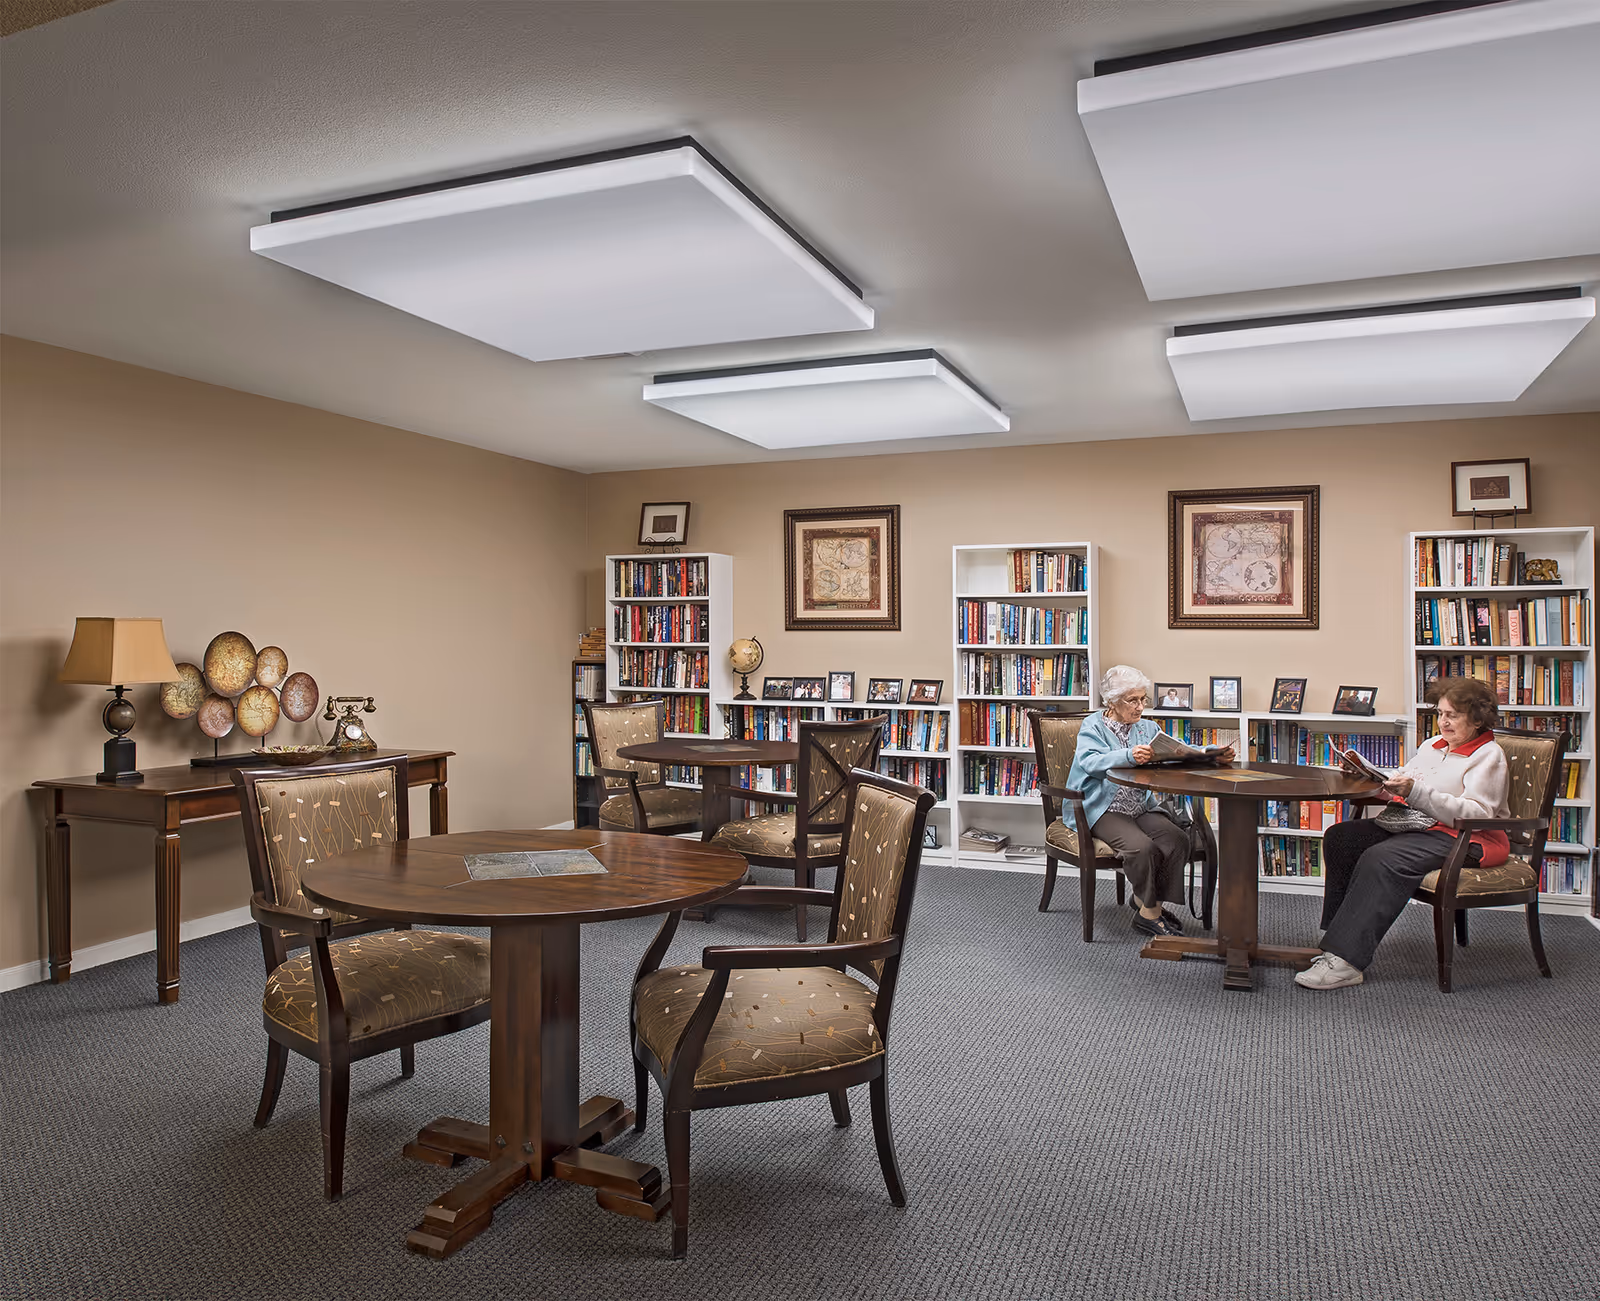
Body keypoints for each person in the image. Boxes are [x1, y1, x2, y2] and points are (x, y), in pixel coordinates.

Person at [1297, 676, 1509, 990]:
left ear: (1477, 719)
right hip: (1417, 824)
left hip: (1469, 838)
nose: (1443, 722)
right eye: (1440, 713)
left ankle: (1346, 961)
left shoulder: (1489, 755)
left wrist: (1415, 792)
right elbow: (1404, 786)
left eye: (1453, 715)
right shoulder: (1431, 746)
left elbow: (1478, 814)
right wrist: (1374, 781)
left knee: (1383, 858)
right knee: (1342, 838)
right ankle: (1337, 942)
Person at [1067, 664, 1234, 937]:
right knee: (1141, 848)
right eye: (1132, 700)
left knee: (1177, 839)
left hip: (1139, 805)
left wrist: (1210, 753)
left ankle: (1145, 904)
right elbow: (1090, 762)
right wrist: (1128, 756)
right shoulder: (1093, 726)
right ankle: (1150, 914)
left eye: (1143, 699)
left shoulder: (1147, 727)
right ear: (1112, 701)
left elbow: (1179, 749)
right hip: (1102, 807)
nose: (1140, 706)